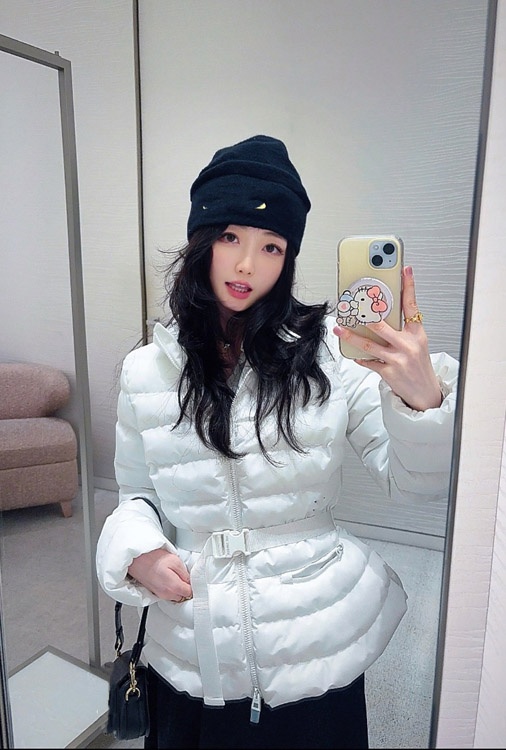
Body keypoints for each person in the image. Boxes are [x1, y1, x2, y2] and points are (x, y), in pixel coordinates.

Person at [96, 134, 458, 749]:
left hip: (313, 642)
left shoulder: (330, 356)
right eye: (230, 237)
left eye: (271, 246)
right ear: (200, 240)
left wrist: (422, 400)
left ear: (288, 258)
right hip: (194, 644)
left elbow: (415, 483)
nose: (246, 265)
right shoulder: (146, 371)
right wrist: (137, 551)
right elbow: (137, 493)